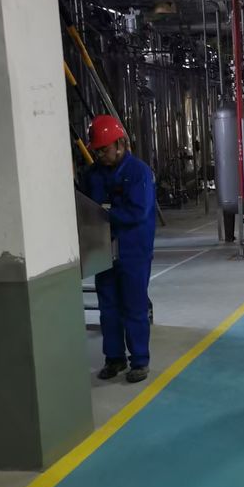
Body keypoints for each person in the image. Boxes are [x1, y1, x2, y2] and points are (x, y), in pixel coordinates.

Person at [83, 115, 157, 383]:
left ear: (120, 144)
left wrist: (105, 213)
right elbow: (85, 206)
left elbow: (137, 213)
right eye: (97, 151)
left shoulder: (138, 173)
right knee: (109, 307)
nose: (101, 155)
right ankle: (114, 358)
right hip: (103, 250)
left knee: (134, 306)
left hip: (133, 250)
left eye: (104, 149)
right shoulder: (92, 175)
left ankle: (139, 361)